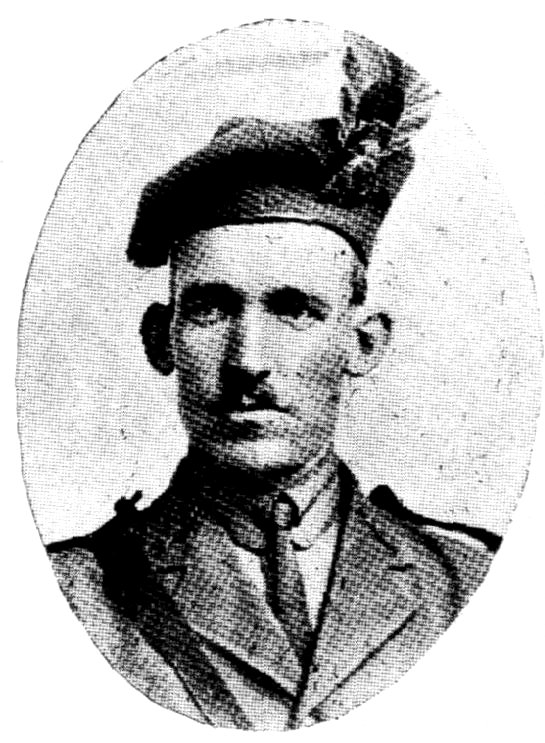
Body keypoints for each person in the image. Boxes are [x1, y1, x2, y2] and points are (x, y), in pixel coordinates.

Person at [47, 38, 501, 730]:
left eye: (294, 309)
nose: (248, 360)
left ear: (362, 343)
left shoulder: (469, 580)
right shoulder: (73, 593)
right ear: (159, 340)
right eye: (211, 309)